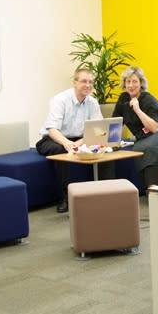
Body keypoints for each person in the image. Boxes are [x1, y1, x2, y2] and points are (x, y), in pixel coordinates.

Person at [35, 66, 101, 213]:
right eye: (84, 81)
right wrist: (67, 144)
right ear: (75, 83)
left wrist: (79, 143)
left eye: (91, 82)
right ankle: (66, 196)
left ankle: (104, 192)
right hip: (54, 139)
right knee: (60, 150)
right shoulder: (60, 100)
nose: (88, 85)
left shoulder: (92, 102)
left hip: (79, 138)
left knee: (104, 147)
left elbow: (97, 130)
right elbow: (52, 129)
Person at [112, 66, 158, 189]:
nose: (131, 85)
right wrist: (109, 142)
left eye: (135, 81)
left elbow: (154, 128)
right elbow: (116, 123)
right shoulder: (123, 99)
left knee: (148, 147)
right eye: (128, 81)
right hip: (144, 137)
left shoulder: (149, 100)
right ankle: (146, 187)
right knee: (138, 148)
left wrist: (137, 109)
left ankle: (152, 188)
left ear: (141, 83)